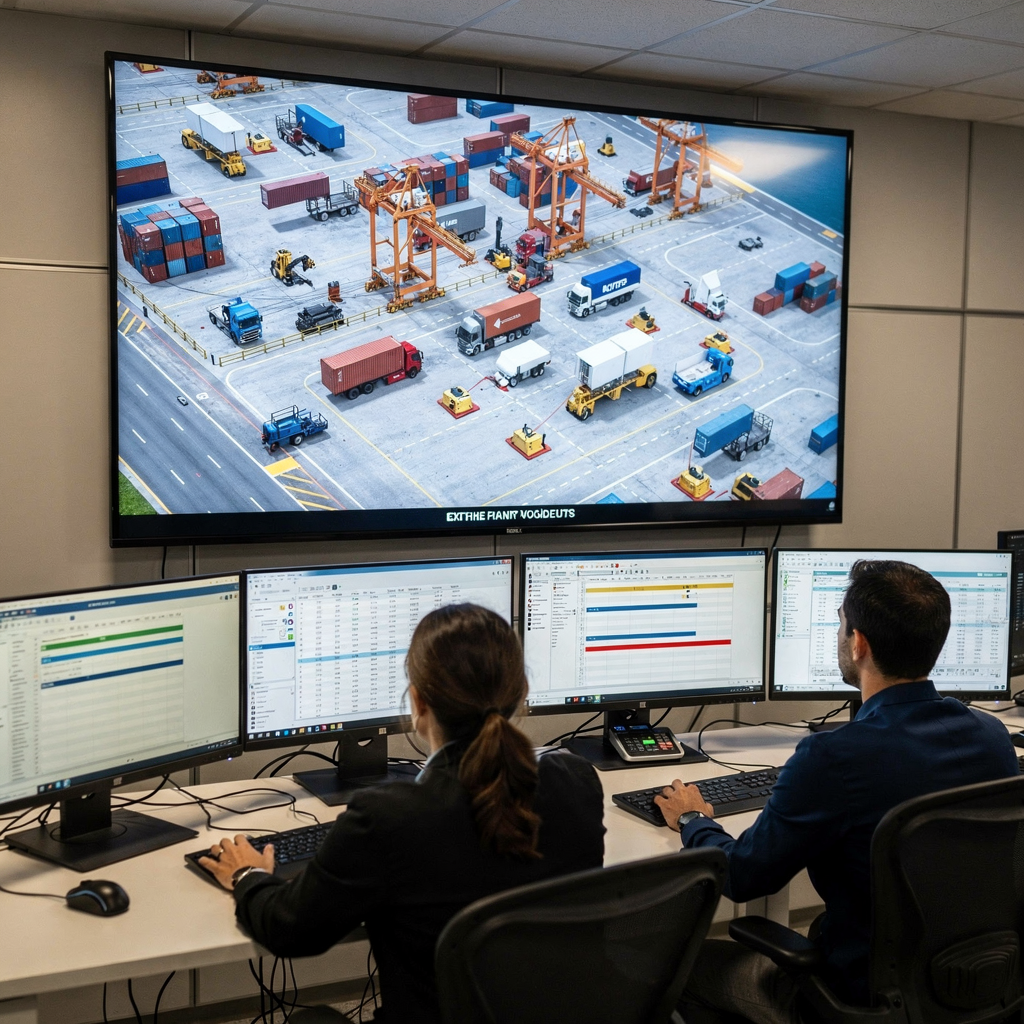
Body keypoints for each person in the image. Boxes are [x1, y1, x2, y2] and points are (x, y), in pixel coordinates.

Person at [200, 603, 605, 1023]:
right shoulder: (576, 781)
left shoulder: (388, 817)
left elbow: (289, 931)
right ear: (521, 690)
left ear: (418, 701)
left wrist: (247, 876)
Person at [654, 559, 1019, 1024]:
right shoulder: (991, 736)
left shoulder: (832, 758)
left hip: (856, 998)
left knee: (678, 968)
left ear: (859, 642)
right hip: (976, 983)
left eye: (841, 625)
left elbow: (743, 877)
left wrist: (693, 820)